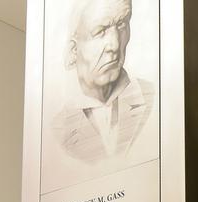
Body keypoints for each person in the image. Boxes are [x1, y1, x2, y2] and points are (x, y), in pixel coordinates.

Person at [53, 0, 156, 163]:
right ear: (74, 50)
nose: (114, 45)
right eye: (100, 31)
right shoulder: (57, 129)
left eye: (122, 24)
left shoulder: (154, 98)